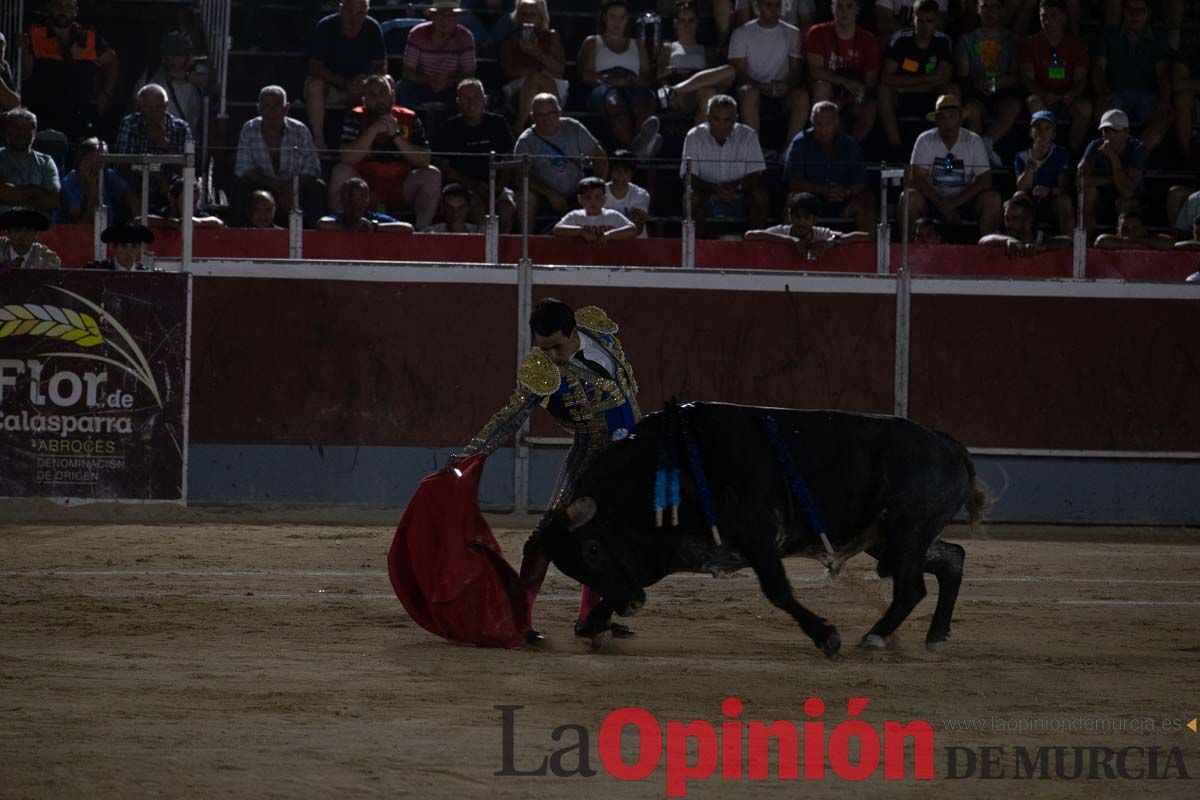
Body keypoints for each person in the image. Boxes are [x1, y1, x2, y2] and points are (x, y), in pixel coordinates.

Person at [449, 298, 643, 642]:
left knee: (610, 539)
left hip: (631, 457)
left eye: (557, 346)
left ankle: (591, 620)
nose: (551, 356)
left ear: (574, 331)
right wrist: (470, 455)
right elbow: (509, 418)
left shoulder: (599, 331)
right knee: (546, 538)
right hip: (590, 458)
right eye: (543, 347)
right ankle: (518, 620)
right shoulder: (542, 370)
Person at [331, 73, 442, 230]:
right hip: (365, 187)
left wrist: (396, 135)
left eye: (383, 93)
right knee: (340, 171)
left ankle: (420, 231)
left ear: (392, 95)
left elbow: (424, 161)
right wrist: (373, 130)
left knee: (432, 174)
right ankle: (343, 228)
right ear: (365, 99)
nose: (379, 99)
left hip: (400, 186)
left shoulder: (409, 118)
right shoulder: (355, 116)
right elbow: (346, 158)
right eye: (372, 95)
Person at [20, 0, 119, 141]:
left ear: (75, 11)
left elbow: (112, 60)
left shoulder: (88, 37)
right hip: (44, 113)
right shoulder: (35, 34)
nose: (62, 10)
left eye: (68, 6)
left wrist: (106, 95)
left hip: (80, 115)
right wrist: (24, 51)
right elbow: (25, 73)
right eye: (58, 5)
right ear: (50, 8)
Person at [906, 94, 1002, 236]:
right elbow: (916, 178)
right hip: (932, 200)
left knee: (992, 199)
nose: (948, 122)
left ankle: (987, 251)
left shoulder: (973, 141)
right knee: (909, 198)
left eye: (952, 116)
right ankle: (908, 252)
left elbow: (985, 180)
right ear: (936, 121)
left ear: (960, 119)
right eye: (942, 117)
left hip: (965, 200)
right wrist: (942, 205)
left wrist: (954, 203)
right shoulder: (925, 140)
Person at [577, 0, 661, 159]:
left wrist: (629, 81)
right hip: (604, 87)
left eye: (622, 17)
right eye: (613, 17)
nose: (617, 22)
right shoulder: (593, 42)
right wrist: (608, 80)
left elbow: (647, 75)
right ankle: (636, 151)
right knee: (615, 103)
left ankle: (640, 143)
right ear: (604, 18)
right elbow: (584, 74)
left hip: (632, 85)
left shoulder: (637, 44)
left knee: (645, 99)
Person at [512, 93, 608, 232]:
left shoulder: (573, 127)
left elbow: (599, 156)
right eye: (540, 115)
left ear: (559, 113)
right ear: (532, 117)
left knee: (598, 197)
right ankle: (527, 244)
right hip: (542, 195)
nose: (546, 119)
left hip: (577, 192)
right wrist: (549, 193)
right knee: (525, 200)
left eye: (551, 113)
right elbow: (519, 177)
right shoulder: (526, 141)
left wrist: (598, 187)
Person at [234, 86, 326, 229]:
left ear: (286, 108)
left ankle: (316, 239)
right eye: (266, 106)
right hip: (263, 184)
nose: (271, 110)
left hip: (294, 186)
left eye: (277, 105)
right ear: (259, 108)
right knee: (240, 186)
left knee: (317, 187)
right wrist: (277, 187)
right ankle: (237, 235)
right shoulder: (249, 129)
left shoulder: (300, 130)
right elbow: (243, 168)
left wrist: (291, 188)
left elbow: (312, 168)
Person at [431, 78, 516, 233]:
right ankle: (484, 252)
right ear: (458, 102)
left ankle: (505, 253)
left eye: (476, 97)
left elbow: (509, 160)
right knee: (476, 208)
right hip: (465, 188)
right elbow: (444, 167)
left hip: (497, 186)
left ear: (485, 99)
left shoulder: (499, 123)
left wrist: (497, 188)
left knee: (506, 208)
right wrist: (474, 186)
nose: (472, 102)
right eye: (466, 98)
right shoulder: (449, 127)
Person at [1091, 0, 1173, 157]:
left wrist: (1164, 101)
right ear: (1123, 11)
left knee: (1165, 114)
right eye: (1130, 10)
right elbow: (1098, 69)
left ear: (1148, 13)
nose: (1134, 15)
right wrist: (1102, 92)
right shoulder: (1109, 35)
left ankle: (1137, 157)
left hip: (1147, 96)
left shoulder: (1158, 39)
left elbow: (1163, 74)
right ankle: (1113, 158)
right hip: (1116, 94)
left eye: (1140, 10)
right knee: (1103, 109)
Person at [304, 0, 388, 151]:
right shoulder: (325, 27)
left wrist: (365, 80)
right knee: (313, 84)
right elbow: (315, 67)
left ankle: (381, 138)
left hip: (363, 89)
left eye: (360, 13)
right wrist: (343, 82)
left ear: (366, 13)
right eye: (349, 11)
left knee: (388, 83)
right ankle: (318, 141)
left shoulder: (373, 27)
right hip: (333, 88)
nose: (353, 19)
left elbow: (380, 65)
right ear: (341, 10)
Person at [680, 94, 769, 236]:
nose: (721, 125)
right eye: (716, 119)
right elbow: (688, 177)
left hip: (740, 195)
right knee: (691, 198)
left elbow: (756, 175)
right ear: (708, 117)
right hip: (706, 195)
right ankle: (698, 247)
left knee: (760, 197)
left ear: (736, 119)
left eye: (727, 120)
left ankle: (753, 244)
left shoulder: (748, 135)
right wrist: (715, 188)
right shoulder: (694, 136)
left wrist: (735, 187)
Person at [783, 100, 875, 233]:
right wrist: (823, 190)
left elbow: (861, 181)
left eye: (828, 124)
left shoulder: (850, 145)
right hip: (811, 200)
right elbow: (793, 182)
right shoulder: (800, 143)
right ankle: (791, 249)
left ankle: (867, 250)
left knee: (867, 200)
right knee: (793, 200)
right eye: (818, 124)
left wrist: (846, 191)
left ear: (837, 123)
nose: (823, 129)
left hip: (844, 199)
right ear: (811, 122)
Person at [728, 0, 809, 150]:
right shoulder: (742, 33)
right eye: (768, 5)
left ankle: (789, 152)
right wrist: (760, 86)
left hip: (782, 93)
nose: (774, 10)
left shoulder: (793, 32)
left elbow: (796, 69)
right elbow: (738, 73)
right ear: (757, 7)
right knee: (748, 92)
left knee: (802, 97)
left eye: (777, 5)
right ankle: (754, 151)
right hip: (754, 90)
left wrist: (787, 85)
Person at [878, 0, 956, 156]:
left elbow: (943, 78)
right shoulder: (900, 39)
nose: (924, 26)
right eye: (920, 21)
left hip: (930, 96)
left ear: (937, 21)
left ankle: (949, 145)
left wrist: (908, 85)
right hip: (901, 96)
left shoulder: (943, 41)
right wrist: (928, 78)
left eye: (929, 21)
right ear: (913, 18)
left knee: (952, 90)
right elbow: (886, 78)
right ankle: (896, 147)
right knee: (883, 91)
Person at [1020, 0, 1091, 155]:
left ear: (1064, 18)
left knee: (1085, 108)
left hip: (1068, 99)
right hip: (1044, 97)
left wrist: (1071, 94)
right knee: (1033, 102)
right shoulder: (1030, 43)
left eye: (1053, 16)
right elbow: (1027, 79)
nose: (1048, 21)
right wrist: (1044, 94)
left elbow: (1080, 79)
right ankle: (1043, 151)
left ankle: (1074, 151)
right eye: (1044, 16)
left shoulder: (1076, 44)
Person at [804, 0, 880, 143]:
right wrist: (845, 83)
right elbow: (816, 71)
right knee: (822, 86)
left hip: (853, 95)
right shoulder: (817, 32)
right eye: (839, 7)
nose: (844, 12)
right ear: (832, 9)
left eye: (849, 6)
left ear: (857, 10)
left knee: (870, 106)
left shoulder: (868, 40)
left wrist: (844, 102)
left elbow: (870, 83)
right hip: (827, 92)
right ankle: (820, 143)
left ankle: (851, 150)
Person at [956, 0, 1021, 162]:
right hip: (976, 93)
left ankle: (985, 144)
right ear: (978, 9)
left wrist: (994, 83)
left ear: (1002, 11)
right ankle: (977, 161)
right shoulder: (966, 40)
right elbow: (963, 76)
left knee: (1013, 106)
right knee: (972, 110)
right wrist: (977, 83)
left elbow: (1015, 75)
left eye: (994, 7)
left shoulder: (1012, 40)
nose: (989, 12)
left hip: (1002, 91)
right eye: (985, 7)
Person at [654, 1, 736, 127]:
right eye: (682, 20)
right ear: (676, 23)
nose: (687, 25)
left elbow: (711, 74)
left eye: (691, 20)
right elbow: (660, 74)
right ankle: (677, 90)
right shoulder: (668, 47)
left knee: (729, 71)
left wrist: (696, 73)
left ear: (697, 23)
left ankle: (675, 91)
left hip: (698, 89)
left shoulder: (706, 50)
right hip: (679, 89)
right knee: (708, 93)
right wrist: (676, 70)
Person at [114, 84, 193, 213]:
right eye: (149, 108)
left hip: (169, 189)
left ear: (166, 106)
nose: (154, 113)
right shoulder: (130, 123)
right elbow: (122, 165)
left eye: (159, 107)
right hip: (136, 186)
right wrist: (153, 174)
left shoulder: (180, 128)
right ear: (140, 108)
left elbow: (187, 170)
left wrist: (164, 143)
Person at [1078, 108, 1146, 242]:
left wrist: (1113, 158)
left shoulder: (1136, 149)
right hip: (1104, 199)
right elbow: (1079, 180)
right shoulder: (1095, 146)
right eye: (1106, 131)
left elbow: (1127, 191)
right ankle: (1087, 246)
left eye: (1115, 131)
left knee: (1124, 202)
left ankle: (1125, 246)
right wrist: (1112, 180)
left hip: (1133, 203)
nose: (1109, 136)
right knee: (1089, 193)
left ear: (1126, 132)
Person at [498, 0, 567, 130]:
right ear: (518, 16)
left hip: (551, 82)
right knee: (535, 81)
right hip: (520, 85)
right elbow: (509, 71)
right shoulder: (510, 39)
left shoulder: (552, 36)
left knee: (538, 80)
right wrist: (537, 72)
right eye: (524, 14)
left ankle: (519, 126)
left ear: (541, 16)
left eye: (532, 15)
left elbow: (560, 69)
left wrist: (536, 51)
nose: (528, 18)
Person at [398, 0, 477, 111]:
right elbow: (407, 71)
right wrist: (429, 80)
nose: (444, 20)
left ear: (457, 18)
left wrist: (449, 81)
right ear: (433, 16)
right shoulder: (417, 33)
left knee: (467, 91)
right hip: (422, 84)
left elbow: (469, 73)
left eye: (450, 16)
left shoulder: (465, 37)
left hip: (452, 87)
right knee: (403, 88)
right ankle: (405, 127)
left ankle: (457, 127)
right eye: (440, 15)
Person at [745, 191, 870, 258]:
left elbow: (864, 236)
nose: (801, 222)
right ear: (790, 216)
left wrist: (830, 242)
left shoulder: (821, 233)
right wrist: (792, 240)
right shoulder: (783, 231)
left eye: (807, 218)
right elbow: (750, 235)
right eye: (797, 217)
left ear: (814, 219)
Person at [132, 30, 204, 135]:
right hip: (153, 139)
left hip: (187, 140)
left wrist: (187, 77)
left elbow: (214, 84)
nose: (176, 59)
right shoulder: (151, 75)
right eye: (172, 54)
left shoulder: (198, 73)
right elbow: (135, 106)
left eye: (181, 54)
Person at [1013, 110, 1073, 234]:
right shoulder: (1022, 156)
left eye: (1047, 128)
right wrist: (1032, 163)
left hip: (1051, 203)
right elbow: (1022, 187)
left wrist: (1048, 191)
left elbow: (1064, 187)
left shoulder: (1060, 154)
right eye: (1038, 128)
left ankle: (1069, 245)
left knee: (1064, 201)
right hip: (1031, 204)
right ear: (1031, 132)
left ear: (1053, 134)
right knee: (1018, 196)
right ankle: (1021, 245)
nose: (1042, 133)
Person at [0, 108, 61, 217]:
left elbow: (53, 200)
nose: (20, 132)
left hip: (39, 230)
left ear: (34, 133)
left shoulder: (46, 162)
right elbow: (3, 193)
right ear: (7, 131)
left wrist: (13, 193)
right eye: (15, 127)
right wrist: (36, 191)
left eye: (26, 127)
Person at [978, 194, 1071, 256]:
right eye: (1007, 218)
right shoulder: (1003, 236)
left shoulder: (1039, 237)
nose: (1009, 223)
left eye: (1015, 218)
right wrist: (1008, 240)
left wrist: (1042, 247)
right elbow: (983, 240)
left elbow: (1068, 241)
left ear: (1028, 219)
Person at [552, 176, 638, 243]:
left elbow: (633, 229)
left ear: (605, 199)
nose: (593, 201)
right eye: (588, 197)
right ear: (580, 199)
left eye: (597, 197)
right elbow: (557, 229)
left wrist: (609, 235)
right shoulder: (575, 216)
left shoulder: (612, 215)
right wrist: (581, 232)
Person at [319, 176, 414, 233]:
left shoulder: (376, 218)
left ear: (368, 200)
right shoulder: (338, 218)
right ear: (342, 199)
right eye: (350, 196)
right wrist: (350, 228)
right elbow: (321, 224)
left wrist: (375, 227)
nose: (355, 201)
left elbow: (408, 228)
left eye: (362, 196)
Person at [604, 149, 650, 238]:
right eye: (617, 170)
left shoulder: (641, 194)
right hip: (607, 245)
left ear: (631, 173)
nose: (621, 175)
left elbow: (637, 229)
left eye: (626, 171)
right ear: (610, 171)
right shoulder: (600, 192)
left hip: (636, 246)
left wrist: (609, 232)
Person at [84, 222, 155, 271]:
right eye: (124, 246)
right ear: (114, 247)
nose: (128, 252)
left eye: (133, 246)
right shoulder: (97, 270)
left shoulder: (145, 274)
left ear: (139, 248)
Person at [1093, 209, 1173, 250]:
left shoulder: (1151, 238)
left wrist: (1135, 241)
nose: (1130, 232)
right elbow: (1100, 241)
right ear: (1118, 231)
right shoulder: (1112, 241)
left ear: (1143, 230)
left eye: (1135, 228)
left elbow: (1169, 243)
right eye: (1125, 228)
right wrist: (1137, 244)